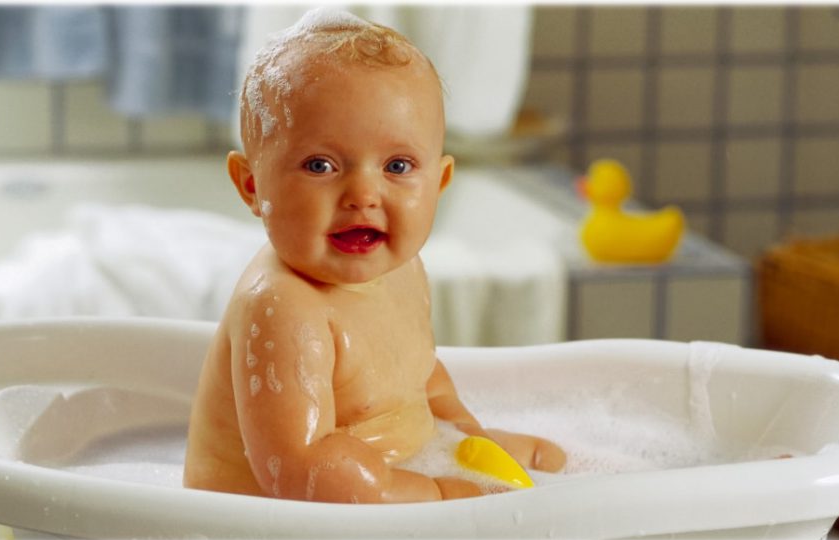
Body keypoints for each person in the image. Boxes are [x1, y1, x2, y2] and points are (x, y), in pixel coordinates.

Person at [184, 8, 564, 503]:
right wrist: (437, 493)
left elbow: (422, 376)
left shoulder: (403, 269)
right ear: (252, 185)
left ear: (440, 183)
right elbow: (300, 470)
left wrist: (466, 433)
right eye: (320, 165)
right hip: (260, 524)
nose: (363, 194)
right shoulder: (282, 307)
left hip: (388, 475)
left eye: (398, 165)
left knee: (550, 459)